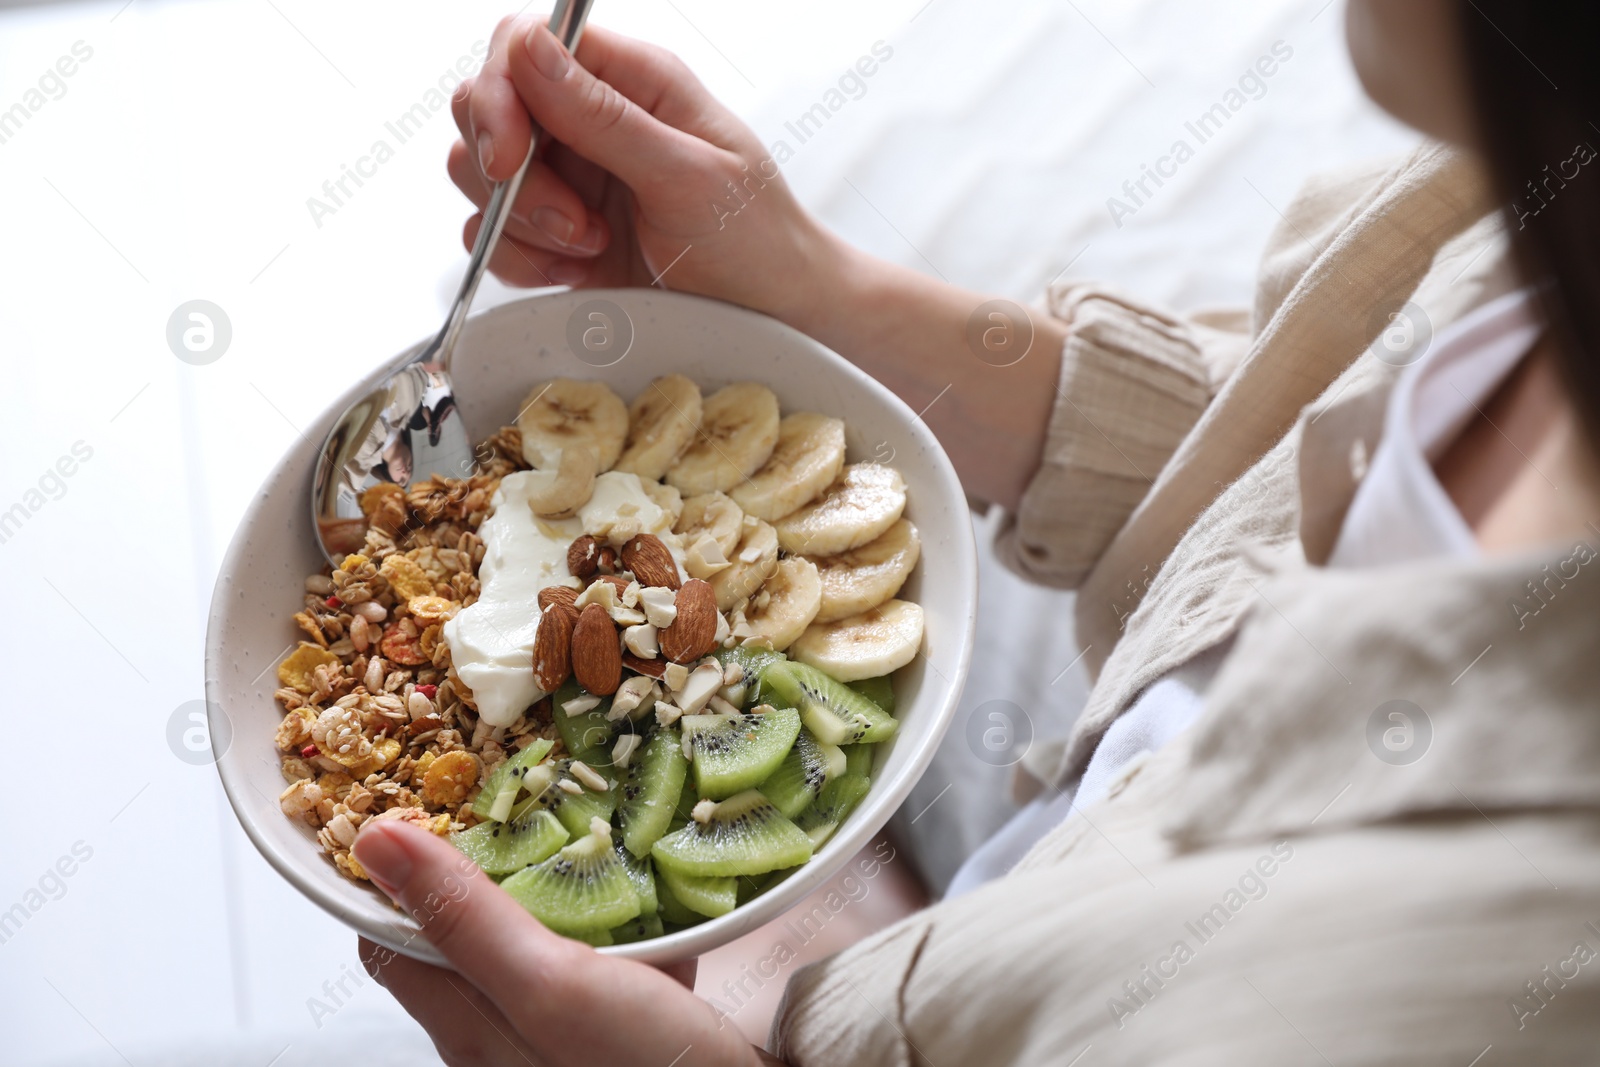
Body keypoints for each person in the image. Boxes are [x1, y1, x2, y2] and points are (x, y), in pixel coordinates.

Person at [351, 1, 1600, 1061]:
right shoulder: (1542, 199)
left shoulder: (1442, 982)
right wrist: (804, 289)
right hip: (1000, 898)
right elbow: (1293, 453)